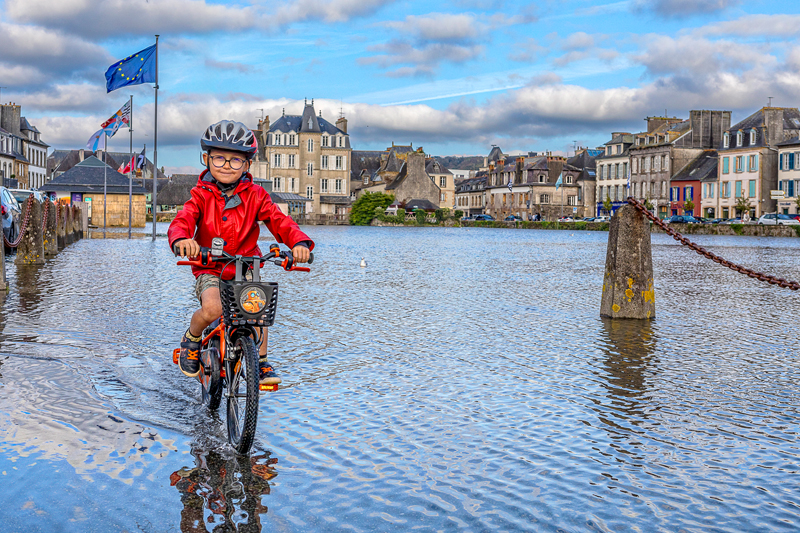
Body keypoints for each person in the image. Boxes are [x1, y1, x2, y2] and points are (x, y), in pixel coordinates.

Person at [168, 120, 314, 385]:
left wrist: (298, 243)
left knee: (259, 305)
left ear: (247, 165)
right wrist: (182, 239)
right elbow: (184, 219)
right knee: (212, 308)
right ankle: (191, 339)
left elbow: (279, 221)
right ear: (206, 159)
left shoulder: (257, 195)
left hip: (246, 266)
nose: (226, 165)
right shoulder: (200, 194)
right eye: (219, 158)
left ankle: (260, 361)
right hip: (211, 267)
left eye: (235, 161)